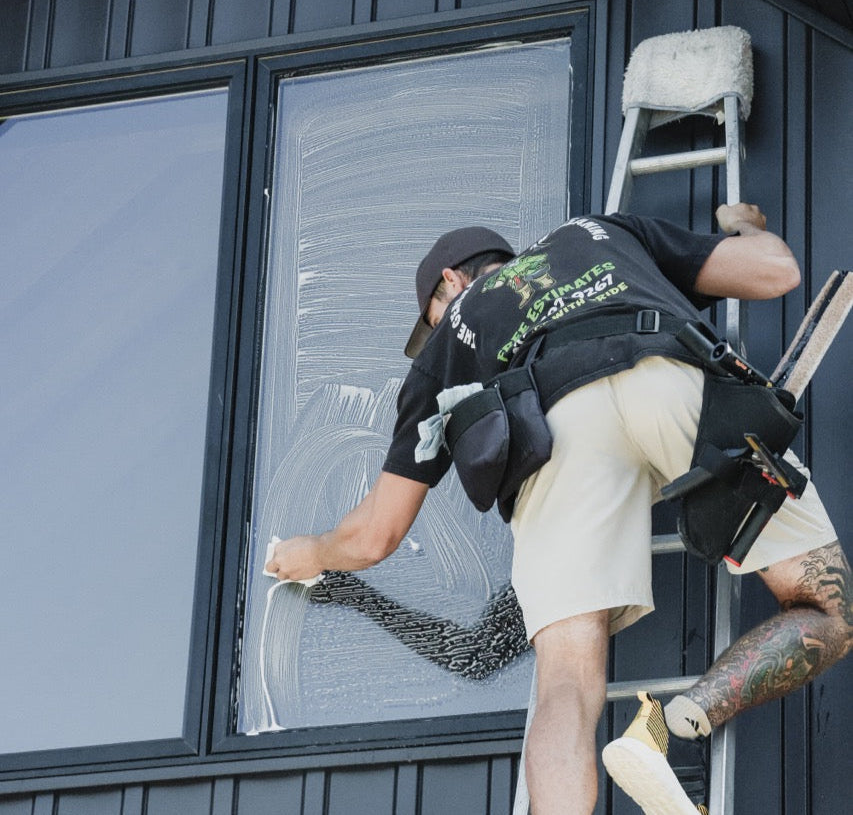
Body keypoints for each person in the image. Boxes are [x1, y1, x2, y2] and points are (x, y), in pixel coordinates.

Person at [266, 204, 851, 815]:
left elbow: (375, 535)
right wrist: (746, 227)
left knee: (567, 683)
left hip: (553, 436)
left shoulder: (446, 345)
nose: (434, 328)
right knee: (827, 614)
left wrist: (309, 553)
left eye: (430, 317)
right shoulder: (604, 234)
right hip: (667, 373)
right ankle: (680, 720)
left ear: (451, 281)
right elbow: (775, 273)